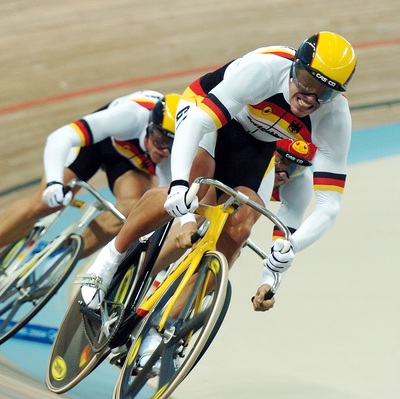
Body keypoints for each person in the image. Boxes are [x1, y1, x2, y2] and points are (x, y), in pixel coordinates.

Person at [80, 31, 357, 315]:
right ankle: (108, 261)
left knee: (240, 229)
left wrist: (290, 250)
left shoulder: (334, 117)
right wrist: (177, 185)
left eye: (326, 92)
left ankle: (163, 326)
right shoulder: (264, 70)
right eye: (307, 82)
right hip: (208, 112)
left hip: (258, 143)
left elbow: (328, 205)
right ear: (294, 67)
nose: (311, 98)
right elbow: (198, 123)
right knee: (196, 194)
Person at [0, 90, 181, 259]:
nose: (164, 151)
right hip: (98, 144)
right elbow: (60, 137)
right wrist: (53, 183)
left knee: (130, 212)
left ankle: (59, 258)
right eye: (160, 140)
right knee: (43, 204)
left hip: (129, 164)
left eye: (172, 146)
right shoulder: (130, 116)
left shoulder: (174, 157)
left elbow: (162, 207)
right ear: (150, 126)